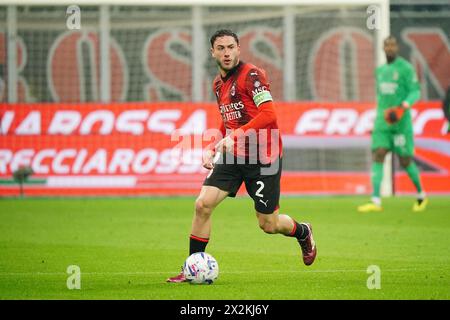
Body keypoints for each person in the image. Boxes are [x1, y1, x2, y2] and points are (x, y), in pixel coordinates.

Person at [167, 29, 316, 283]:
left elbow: (269, 114)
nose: (226, 53)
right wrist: (212, 145)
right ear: (212, 52)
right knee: (202, 205)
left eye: (231, 47)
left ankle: (302, 231)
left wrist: (235, 136)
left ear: (239, 49)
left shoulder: (252, 76)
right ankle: (191, 267)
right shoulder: (218, 84)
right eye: (221, 48)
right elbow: (227, 120)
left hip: (263, 156)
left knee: (268, 224)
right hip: (234, 155)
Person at [358, 35, 427, 213]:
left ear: (397, 47)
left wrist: (402, 108)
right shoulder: (380, 71)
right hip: (383, 123)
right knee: (378, 154)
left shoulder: (406, 69)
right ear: (383, 48)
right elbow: (381, 97)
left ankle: (421, 194)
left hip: (401, 123)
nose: (390, 48)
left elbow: (415, 92)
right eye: (387, 45)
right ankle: (375, 200)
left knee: (405, 160)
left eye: (392, 45)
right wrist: (379, 118)